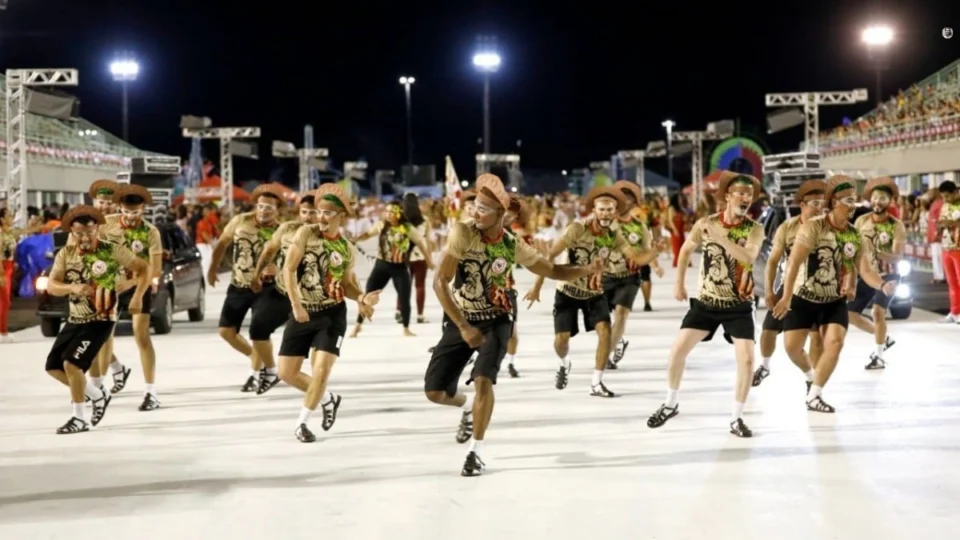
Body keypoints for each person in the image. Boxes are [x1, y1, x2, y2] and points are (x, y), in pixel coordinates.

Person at [424, 173, 604, 476]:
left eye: (483, 209)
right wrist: (464, 327)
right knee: (435, 393)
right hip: (463, 320)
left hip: (497, 318)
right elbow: (440, 282)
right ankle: (466, 406)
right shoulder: (462, 233)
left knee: (484, 379)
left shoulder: (512, 244)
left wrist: (586, 268)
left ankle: (475, 452)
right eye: (475, 206)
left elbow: (551, 270)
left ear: (502, 215)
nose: (474, 212)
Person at [646, 172, 765, 437]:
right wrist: (679, 282)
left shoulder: (754, 228)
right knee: (677, 351)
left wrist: (721, 237)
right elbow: (686, 249)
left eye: (749, 194)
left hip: (739, 304)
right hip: (707, 302)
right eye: (740, 193)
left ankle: (736, 418)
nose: (745, 198)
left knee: (746, 360)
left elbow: (747, 255)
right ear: (727, 197)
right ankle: (671, 402)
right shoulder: (705, 223)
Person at [772, 176, 897, 413]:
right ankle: (811, 375)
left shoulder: (854, 234)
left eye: (855, 200)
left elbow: (866, 270)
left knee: (835, 343)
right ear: (834, 202)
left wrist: (881, 285)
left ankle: (815, 395)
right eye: (848, 200)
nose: (853, 205)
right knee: (791, 348)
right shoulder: (813, 227)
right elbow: (794, 263)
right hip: (804, 297)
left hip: (833, 301)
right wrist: (786, 296)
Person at [525, 185, 658, 398]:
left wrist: (654, 252)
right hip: (568, 290)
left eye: (610, 209)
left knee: (605, 331)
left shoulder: (615, 235)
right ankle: (564, 362)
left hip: (594, 292)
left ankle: (596, 382)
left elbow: (635, 259)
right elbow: (550, 255)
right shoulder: (577, 229)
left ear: (615, 212)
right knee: (561, 342)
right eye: (602, 209)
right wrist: (537, 285)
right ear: (594, 210)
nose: (606, 213)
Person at [280, 184, 380, 442]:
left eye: (327, 213)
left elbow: (347, 284)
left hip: (331, 315)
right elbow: (289, 269)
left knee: (321, 371)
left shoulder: (345, 248)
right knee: (286, 373)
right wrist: (296, 305)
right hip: (302, 311)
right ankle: (328, 399)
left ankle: (301, 424)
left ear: (341, 217)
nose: (320, 218)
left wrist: (361, 297)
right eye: (318, 212)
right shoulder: (305, 234)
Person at [43, 206, 150, 434]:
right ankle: (96, 394)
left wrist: (137, 294)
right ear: (71, 233)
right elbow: (52, 285)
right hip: (75, 318)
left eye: (89, 232)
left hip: (101, 319)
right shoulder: (65, 254)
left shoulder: (111, 250)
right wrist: (73, 287)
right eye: (78, 233)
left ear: (97, 230)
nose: (84, 237)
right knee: (53, 367)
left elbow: (143, 268)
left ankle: (79, 418)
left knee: (71, 364)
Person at [208, 184, 286, 392]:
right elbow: (222, 244)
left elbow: (289, 260)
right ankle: (256, 359)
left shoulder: (281, 230)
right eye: (261, 206)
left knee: (257, 331)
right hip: (238, 284)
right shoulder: (240, 221)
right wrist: (212, 269)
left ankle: (258, 373)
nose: (264, 211)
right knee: (226, 331)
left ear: (277, 209)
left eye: (269, 207)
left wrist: (278, 270)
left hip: (266, 288)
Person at [754, 179, 826, 388]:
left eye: (822, 203)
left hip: (817, 290)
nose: (819, 208)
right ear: (802, 205)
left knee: (815, 337)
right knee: (768, 329)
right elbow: (773, 261)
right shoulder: (787, 228)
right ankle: (765, 367)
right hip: (788, 287)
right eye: (814, 203)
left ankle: (812, 381)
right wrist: (769, 290)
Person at [98, 184, 165, 410]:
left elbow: (154, 271)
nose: (131, 218)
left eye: (136, 213)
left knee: (141, 336)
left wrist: (133, 286)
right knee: (104, 336)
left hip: (139, 286)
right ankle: (99, 388)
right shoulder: (107, 224)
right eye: (127, 212)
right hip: (110, 285)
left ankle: (151, 391)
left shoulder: (150, 232)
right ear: (120, 209)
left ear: (143, 210)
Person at [250, 192, 321, 394]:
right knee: (257, 328)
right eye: (304, 212)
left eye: (313, 213)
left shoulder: (326, 234)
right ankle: (271, 370)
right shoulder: (287, 229)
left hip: (312, 300)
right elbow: (269, 250)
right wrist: (257, 275)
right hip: (283, 293)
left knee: (317, 344)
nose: (308, 217)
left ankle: (317, 383)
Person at [348, 200, 433, 338]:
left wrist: (429, 261)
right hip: (381, 265)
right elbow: (368, 234)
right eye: (386, 211)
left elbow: (420, 244)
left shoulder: (407, 228)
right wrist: (356, 239)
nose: (388, 214)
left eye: (391, 212)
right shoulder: (382, 225)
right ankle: (358, 326)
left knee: (405, 298)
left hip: (399, 267)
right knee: (367, 295)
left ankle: (406, 328)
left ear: (398, 213)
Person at [603, 180, 663, 369]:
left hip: (629, 277)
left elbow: (647, 250)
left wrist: (654, 263)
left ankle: (605, 358)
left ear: (634, 203)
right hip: (605, 276)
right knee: (601, 322)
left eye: (628, 199)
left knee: (621, 314)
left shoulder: (640, 227)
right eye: (621, 198)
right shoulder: (603, 222)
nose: (624, 203)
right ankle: (617, 340)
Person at [848, 177, 906, 369]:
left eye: (882, 198)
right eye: (874, 198)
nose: (877, 202)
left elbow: (898, 257)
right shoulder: (861, 220)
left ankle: (878, 356)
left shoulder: (896, 225)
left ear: (889, 202)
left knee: (877, 312)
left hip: (887, 275)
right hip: (865, 273)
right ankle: (883, 338)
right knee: (850, 314)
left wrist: (876, 251)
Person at [402, 193, 432, 324]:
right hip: (420, 255)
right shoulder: (425, 220)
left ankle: (400, 312)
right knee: (420, 286)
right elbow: (428, 241)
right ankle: (420, 315)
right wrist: (429, 258)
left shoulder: (401, 221)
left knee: (403, 286)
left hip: (404, 257)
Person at [938, 181, 960, 323]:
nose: (945, 200)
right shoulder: (945, 206)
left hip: (959, 248)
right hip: (946, 247)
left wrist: (953, 224)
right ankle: (954, 311)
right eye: (943, 197)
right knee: (951, 282)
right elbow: (941, 221)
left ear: (955, 192)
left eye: (947, 196)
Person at [0, 208, 18, 343]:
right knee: (4, 301)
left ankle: (3, 330)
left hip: (9, 267)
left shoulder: (9, 233)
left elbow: (24, 231)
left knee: (5, 301)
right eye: (9, 216)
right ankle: (2, 331)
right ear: (2, 219)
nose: (12, 218)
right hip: (2, 268)